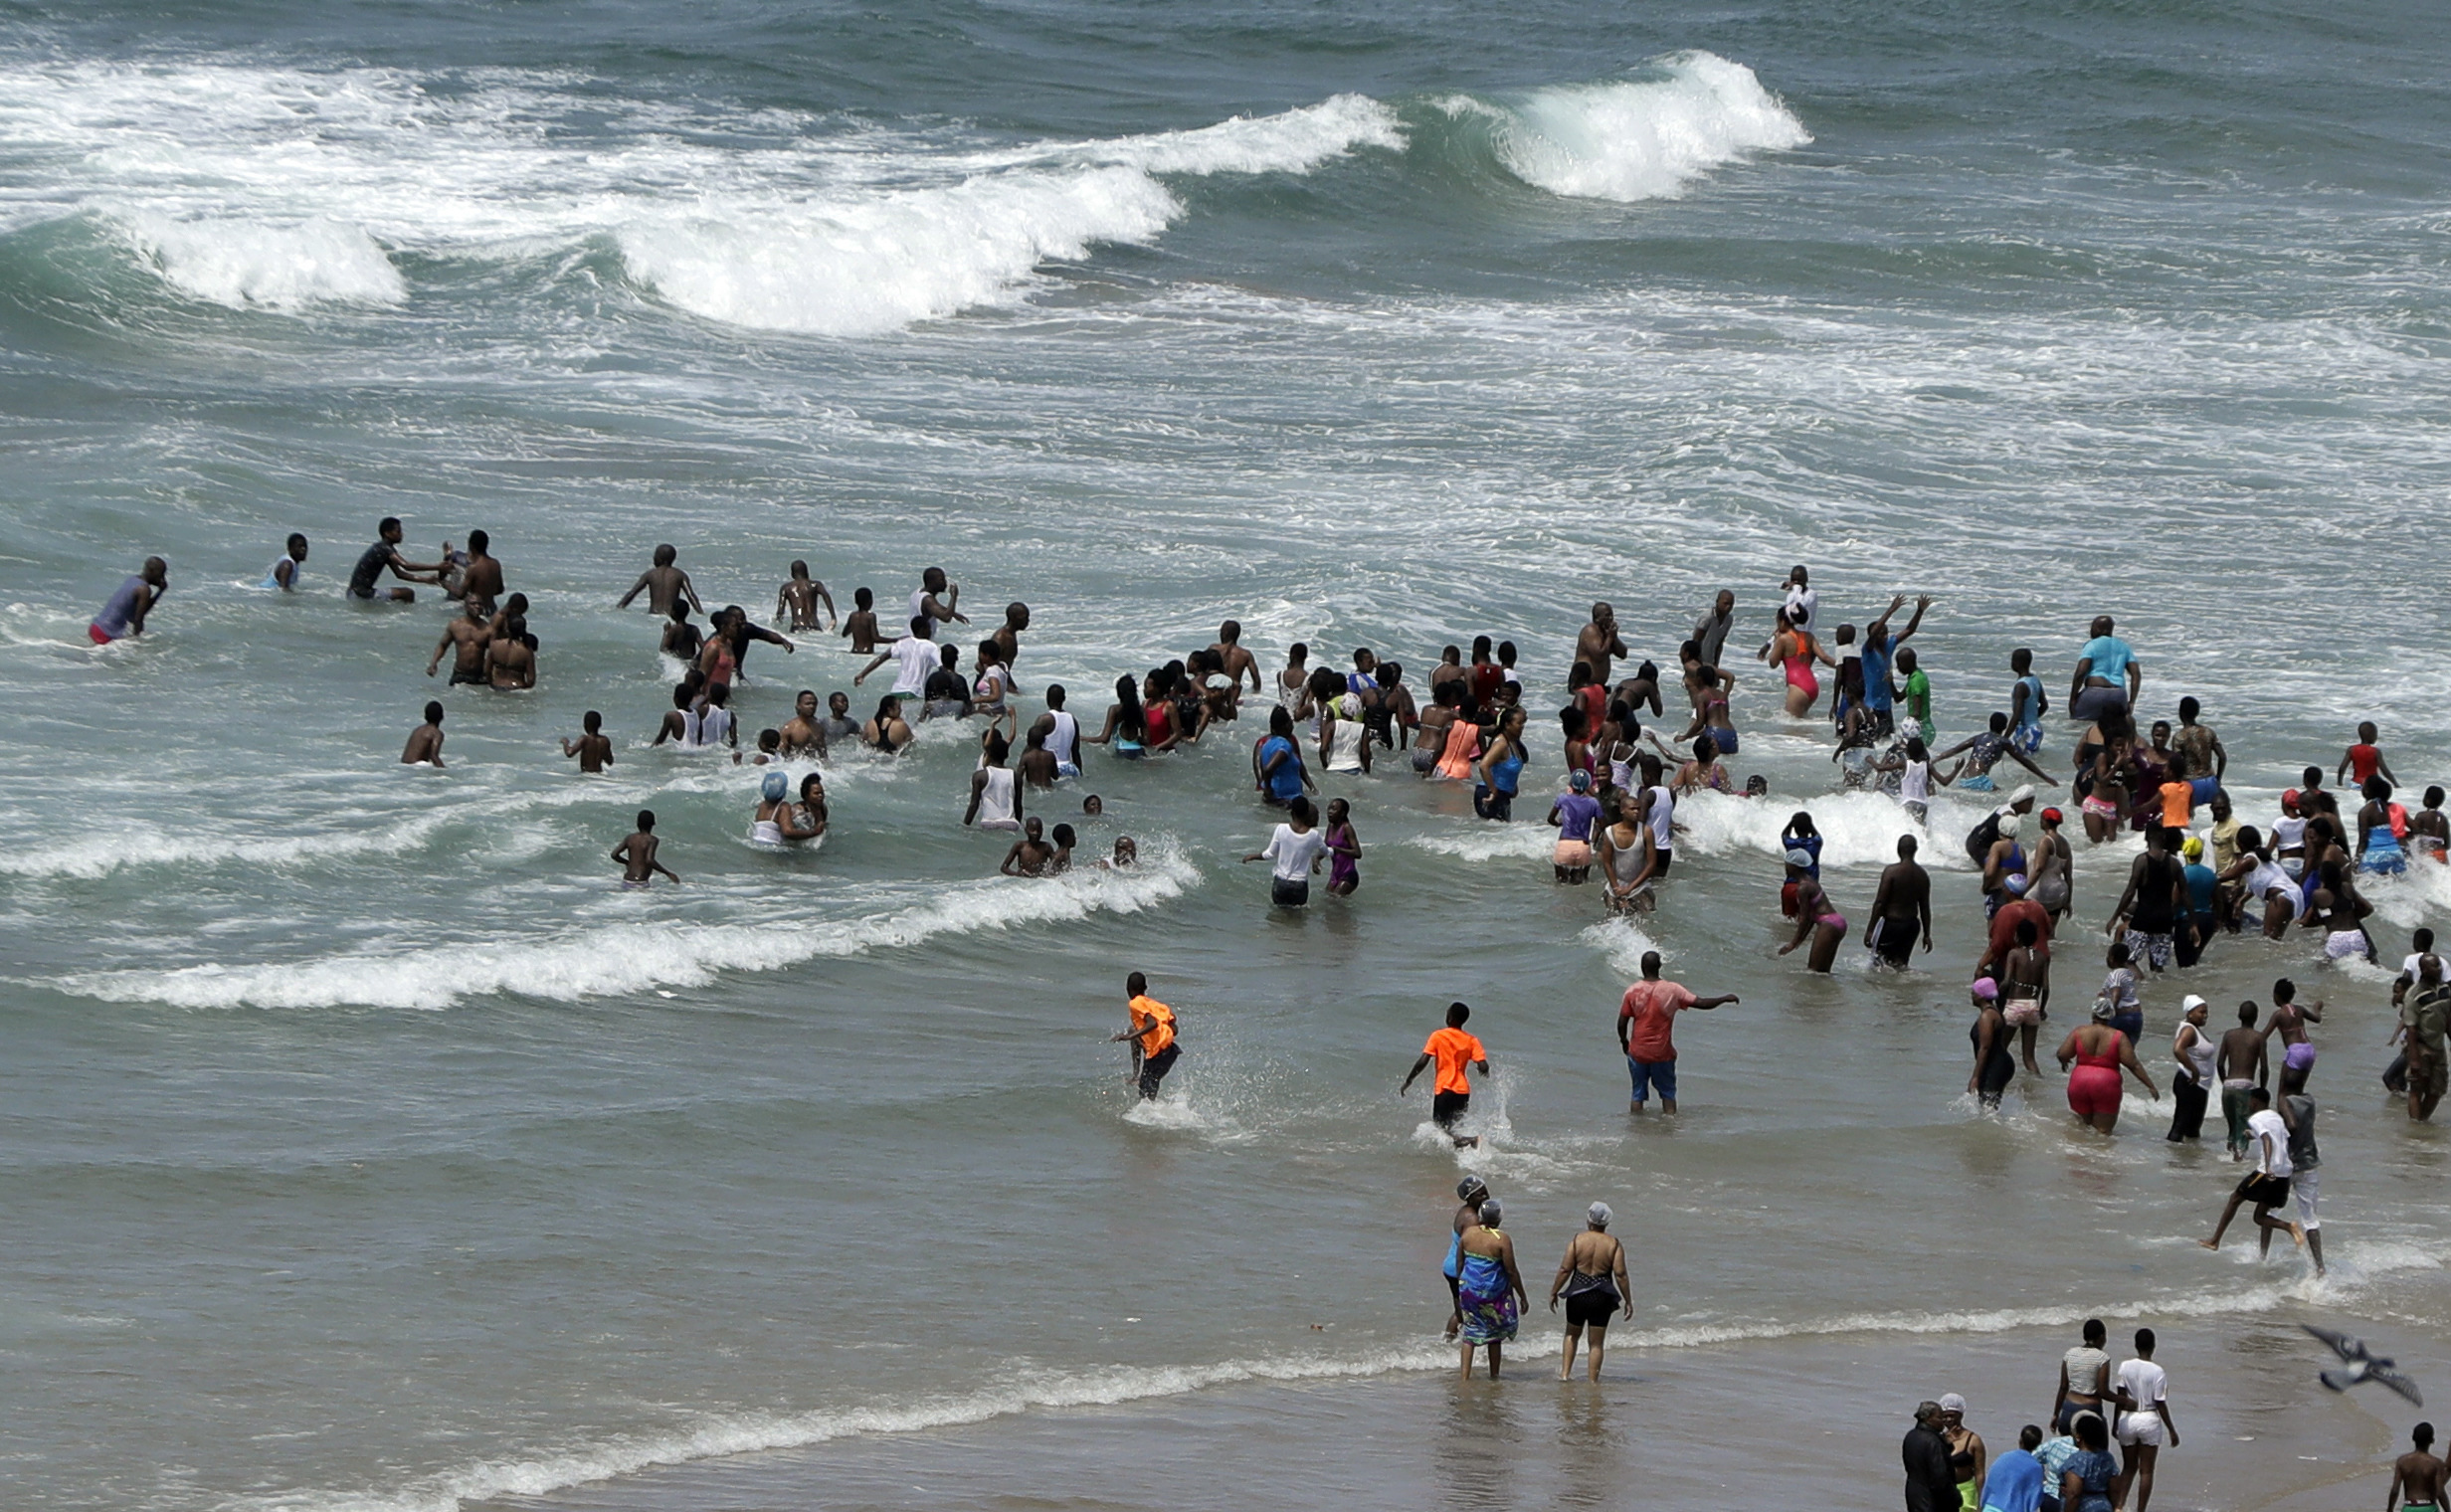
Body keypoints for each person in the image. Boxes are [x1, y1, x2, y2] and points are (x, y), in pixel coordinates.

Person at [1616, 950, 1738, 1115]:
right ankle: (1670, 1128)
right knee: (1667, 1093)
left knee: (1637, 1094)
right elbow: (1701, 1003)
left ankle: (1637, 1130)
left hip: (1638, 1052)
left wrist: (1624, 1042)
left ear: (1642, 967)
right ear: (1659, 966)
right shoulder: (1673, 990)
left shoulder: (1632, 991)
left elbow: (1622, 1022)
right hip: (1662, 1053)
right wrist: (1724, 998)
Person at [2201, 1084, 2304, 1255]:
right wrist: (2252, 1135)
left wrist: (2269, 1167)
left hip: (2267, 1172)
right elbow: (2280, 1137)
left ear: (2256, 1102)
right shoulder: (2276, 1118)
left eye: (2249, 1100)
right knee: (2260, 1217)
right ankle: (2269, 1249)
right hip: (2285, 1172)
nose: (2248, 1103)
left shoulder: (2256, 1119)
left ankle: (2215, 1240)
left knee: (2235, 1199)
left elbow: (2267, 1140)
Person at [1549, 1202, 1629, 1382]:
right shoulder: (1613, 1244)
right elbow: (1620, 1274)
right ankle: (1593, 1381)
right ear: (1607, 1222)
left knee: (1571, 1334)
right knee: (1596, 1343)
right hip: (1602, 1296)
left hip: (1577, 1292)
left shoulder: (1577, 1240)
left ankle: (1564, 1374)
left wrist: (1555, 1291)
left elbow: (1565, 1269)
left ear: (1589, 1219)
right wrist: (1628, 1300)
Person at [2056, 1002, 2157, 1134]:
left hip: (2079, 1081)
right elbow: (2132, 1064)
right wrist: (2150, 1085)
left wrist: (2064, 1061)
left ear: (2093, 1013)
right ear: (2111, 1016)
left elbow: (2062, 1053)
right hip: (2106, 1084)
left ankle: (2079, 1154)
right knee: (2102, 1133)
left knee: (2080, 1129)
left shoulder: (2080, 1032)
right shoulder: (2118, 1036)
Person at [1451, 1197, 1524, 1379]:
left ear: (1481, 1216)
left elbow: (1459, 1262)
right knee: (1495, 1335)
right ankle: (1494, 1375)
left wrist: (1462, 1285)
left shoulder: (1468, 1234)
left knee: (1469, 1334)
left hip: (1469, 1290)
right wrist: (1522, 1295)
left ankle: (1464, 1377)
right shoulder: (1502, 1239)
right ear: (1499, 1219)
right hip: (1493, 1293)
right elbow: (1511, 1270)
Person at [1401, 1001, 1488, 1149]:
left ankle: (1470, 1141)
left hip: (1445, 1089)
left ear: (1450, 1018)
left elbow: (1423, 1060)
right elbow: (1483, 1065)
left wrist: (1409, 1080)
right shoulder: (1472, 1040)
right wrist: (1483, 1070)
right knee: (1455, 1127)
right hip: (1463, 1092)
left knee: (1441, 1128)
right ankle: (1462, 1161)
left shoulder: (1438, 1036)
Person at [2109, 1328, 2177, 1512]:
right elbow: (2160, 1403)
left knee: (2128, 1467)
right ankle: (2140, 1510)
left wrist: (2115, 1423)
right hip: (2149, 1419)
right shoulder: (2158, 1371)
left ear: (2135, 1345)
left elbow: (2120, 1398)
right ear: (2153, 1346)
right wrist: (2171, 1429)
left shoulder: (2125, 1366)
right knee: (2146, 1471)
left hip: (2128, 1419)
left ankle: (2119, 1506)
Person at [1244, 796, 1328, 907]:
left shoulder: (1281, 829)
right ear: (1307, 814)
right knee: (1298, 918)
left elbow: (1269, 854)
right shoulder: (1314, 835)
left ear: (1292, 813)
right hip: (1300, 884)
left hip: (1281, 883)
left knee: (1278, 917)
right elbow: (1326, 851)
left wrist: (1252, 856)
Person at [1867, 835, 1935, 967]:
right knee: (1900, 964)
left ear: (1898, 849)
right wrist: (1927, 935)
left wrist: (1870, 930)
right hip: (1911, 926)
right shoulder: (1922, 875)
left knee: (1880, 964)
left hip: (1892, 925)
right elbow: (1925, 907)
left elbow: (1880, 902)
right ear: (1915, 850)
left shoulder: (1891, 872)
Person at [1109, 972, 1179, 1100]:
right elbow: (1175, 1029)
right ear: (1145, 988)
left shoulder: (1135, 1003)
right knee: (1149, 1090)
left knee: (1145, 1096)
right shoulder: (1157, 1006)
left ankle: (1154, 1116)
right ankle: (1136, 1075)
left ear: (1128, 989)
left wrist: (1128, 1037)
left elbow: (1152, 1023)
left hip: (1157, 1055)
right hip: (1170, 1052)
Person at [2278, 1088, 2325, 1275]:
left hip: (2285, 1165)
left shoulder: (2284, 1101)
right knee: (2310, 1218)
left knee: (2267, 1212)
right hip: (2308, 1164)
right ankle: (2320, 1265)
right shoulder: (2309, 1101)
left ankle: (2263, 1257)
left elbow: (2291, 1126)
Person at [1440, 1176, 1490, 1340]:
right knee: (1470, 1312)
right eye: (1480, 1195)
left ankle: (1447, 1341)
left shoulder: (1466, 1211)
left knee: (1460, 1311)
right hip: (1460, 1269)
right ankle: (1470, 1347)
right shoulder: (1472, 1219)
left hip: (1452, 1266)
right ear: (1469, 1198)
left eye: (1486, 1192)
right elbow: (1474, 1247)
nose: (1486, 1197)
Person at [2216, 1001, 2267, 1158]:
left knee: (2232, 1129)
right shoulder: (2258, 1037)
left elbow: (2219, 1064)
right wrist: (2261, 1090)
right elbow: (2264, 1068)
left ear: (2239, 1016)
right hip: (2245, 1087)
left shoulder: (2229, 1035)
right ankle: (2237, 1164)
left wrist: (2225, 1082)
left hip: (2228, 1087)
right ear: (2256, 1017)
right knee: (2243, 1130)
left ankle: (2228, 1161)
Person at [2402, 954, 2449, 1122]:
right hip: (2421, 1047)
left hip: (2439, 1048)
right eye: (2435, 966)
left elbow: (2447, 1018)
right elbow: (2411, 1029)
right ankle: (2415, 1128)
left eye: (2439, 965)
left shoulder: (2444, 990)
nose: (2439, 968)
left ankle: (2422, 1122)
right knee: (2417, 1089)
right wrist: (2414, 1058)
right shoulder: (2413, 995)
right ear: (2423, 969)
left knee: (2437, 1090)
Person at [347, 517, 439, 603]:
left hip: (353, 593)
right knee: (408, 593)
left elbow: (400, 574)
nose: (401, 534)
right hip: (362, 594)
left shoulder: (382, 548)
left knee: (406, 593)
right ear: (387, 533)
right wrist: (437, 566)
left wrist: (426, 580)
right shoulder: (385, 548)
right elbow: (406, 565)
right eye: (398, 531)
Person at [2068, 616, 2140, 723]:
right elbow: (2136, 675)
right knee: (2113, 731)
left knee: (2079, 727)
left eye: (2093, 627)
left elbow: (2081, 672)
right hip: (2118, 695)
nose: (2090, 631)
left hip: (2094, 693)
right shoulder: (2124, 647)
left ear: (2100, 629)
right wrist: (2131, 702)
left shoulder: (2091, 645)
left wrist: (2073, 698)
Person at [853, 616, 941, 700]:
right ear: (923, 629)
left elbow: (882, 657)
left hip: (896, 692)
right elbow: (942, 668)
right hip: (914, 693)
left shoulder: (902, 643)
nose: (931, 631)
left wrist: (862, 674)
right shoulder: (931, 647)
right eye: (929, 628)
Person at [2262, 977, 2324, 1094]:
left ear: (2276, 996)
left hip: (2295, 1051)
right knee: (2298, 1090)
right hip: (2309, 1050)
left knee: (2282, 1094)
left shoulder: (2278, 1015)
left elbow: (2263, 1037)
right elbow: (2317, 1019)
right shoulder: (2299, 1009)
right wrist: (2316, 1008)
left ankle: (2282, 1111)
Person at [2052, 1321, 2113, 1436]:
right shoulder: (2102, 1358)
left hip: (2068, 1408)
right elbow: (2103, 1392)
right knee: (2096, 1451)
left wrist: (2056, 1414)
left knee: (2068, 1449)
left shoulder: (2070, 1354)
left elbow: (2063, 1387)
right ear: (2101, 1337)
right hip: (2090, 1409)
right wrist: (2124, 1400)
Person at [89, 556, 168, 645]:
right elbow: (138, 620)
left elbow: (139, 611)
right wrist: (138, 642)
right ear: (152, 571)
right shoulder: (144, 590)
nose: (162, 578)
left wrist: (159, 592)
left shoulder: (133, 579)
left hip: (96, 627)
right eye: (161, 574)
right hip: (106, 633)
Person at [2167, 995, 2212, 1142]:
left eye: (2206, 1012)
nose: (2205, 1015)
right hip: (2189, 1082)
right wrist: (2194, 1069)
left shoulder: (2194, 1029)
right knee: (2181, 1125)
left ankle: (2188, 1160)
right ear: (2190, 1012)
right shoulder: (2189, 1030)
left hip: (2197, 1085)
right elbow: (2178, 1049)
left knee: (2192, 1129)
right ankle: (2173, 1160)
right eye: (2201, 1012)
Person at [1472, 706, 1528, 821]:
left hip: (1503, 795)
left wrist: (1513, 786)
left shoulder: (1512, 742)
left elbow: (1506, 769)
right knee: (1492, 834)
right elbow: (1484, 766)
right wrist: (1493, 791)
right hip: (1490, 794)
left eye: (1523, 723)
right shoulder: (1501, 743)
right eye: (1519, 723)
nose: (1522, 727)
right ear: (1507, 725)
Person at [1548, 769, 1603, 883]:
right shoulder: (1593, 802)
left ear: (1570, 784)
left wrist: (1559, 823)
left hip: (1565, 845)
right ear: (1588, 786)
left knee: (1561, 883)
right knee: (1581, 882)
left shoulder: (1562, 798)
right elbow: (1602, 824)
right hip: (1583, 846)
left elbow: (1550, 819)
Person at [617, 544, 703, 617]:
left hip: (653, 615)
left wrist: (619, 607)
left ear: (659, 559)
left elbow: (632, 593)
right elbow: (691, 595)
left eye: (655, 556)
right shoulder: (680, 574)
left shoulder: (650, 574)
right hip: (670, 616)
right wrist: (700, 612)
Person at [1251, 707, 1314, 806]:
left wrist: (1312, 787)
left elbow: (1300, 765)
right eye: (1291, 722)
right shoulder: (1284, 745)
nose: (1293, 725)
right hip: (1285, 799)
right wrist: (1266, 789)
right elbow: (1266, 770)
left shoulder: (1268, 743)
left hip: (1277, 797)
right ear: (1286, 726)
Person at [1906, 1401, 1962, 1512]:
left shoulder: (1911, 1436)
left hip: (1915, 1498)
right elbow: (1940, 1479)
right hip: (1933, 1503)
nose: (1943, 1422)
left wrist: (1946, 1444)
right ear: (1928, 1418)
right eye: (1940, 1418)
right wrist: (1956, 1498)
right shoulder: (1933, 1441)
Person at [1968, 979, 2014, 1109]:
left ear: (1981, 996)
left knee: (1988, 1107)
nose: (1971, 995)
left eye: (1973, 993)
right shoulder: (1994, 1012)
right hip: (1999, 1063)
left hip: (1995, 1065)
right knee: (1989, 1107)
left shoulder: (1987, 1016)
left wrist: (1975, 1077)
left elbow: (1985, 1047)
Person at [426, 596, 493, 685]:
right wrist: (433, 663)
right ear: (465, 606)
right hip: (459, 673)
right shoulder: (455, 625)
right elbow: (443, 645)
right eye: (473, 604)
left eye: (480, 604)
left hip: (479, 674)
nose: (477, 606)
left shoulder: (488, 629)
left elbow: (494, 652)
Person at [2057, 1413, 2118, 1512]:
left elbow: (2074, 1494)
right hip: (2104, 1506)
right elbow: (2114, 1490)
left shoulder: (2076, 1461)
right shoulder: (2108, 1458)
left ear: (2079, 1436)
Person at [965, 731, 1023, 832]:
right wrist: (1018, 825)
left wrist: (965, 825)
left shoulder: (980, 776)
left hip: (988, 823)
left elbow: (974, 804)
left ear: (989, 754)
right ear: (1007, 755)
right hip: (1011, 823)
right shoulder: (1016, 776)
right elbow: (1018, 805)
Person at [1980, 1425, 2046, 1512]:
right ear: (2038, 1445)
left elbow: (1989, 1484)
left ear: (2020, 1441)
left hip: (1991, 1507)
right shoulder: (2036, 1467)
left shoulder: (2003, 1457)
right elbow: (2034, 1497)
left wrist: (1982, 1505)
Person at [2387, 1422, 2446, 1512]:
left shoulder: (2402, 1461)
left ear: (2413, 1438)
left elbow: (2395, 1490)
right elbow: (2440, 1492)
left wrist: (2390, 1509)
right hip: (2428, 1507)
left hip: (2409, 1507)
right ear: (2432, 1440)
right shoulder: (2436, 1463)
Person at [1940, 1394, 1988, 1501]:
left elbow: (1979, 1473)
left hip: (1966, 1491)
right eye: (1945, 1416)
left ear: (1960, 1416)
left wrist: (1981, 1501)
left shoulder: (1973, 1440)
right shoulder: (1939, 1439)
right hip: (1944, 1490)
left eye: (1952, 1416)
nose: (1948, 1420)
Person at [612, 810, 678, 886]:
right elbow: (649, 860)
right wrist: (668, 873)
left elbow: (614, 855)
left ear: (637, 824)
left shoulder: (630, 838)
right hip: (640, 882)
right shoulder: (652, 840)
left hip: (627, 880)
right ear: (653, 824)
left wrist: (627, 862)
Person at [775, 560, 836, 632]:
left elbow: (780, 611)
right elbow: (826, 596)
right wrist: (833, 617)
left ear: (792, 574)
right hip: (814, 627)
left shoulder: (786, 588)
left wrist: (777, 622)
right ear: (807, 572)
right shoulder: (816, 585)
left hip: (797, 628)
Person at [2339, 719, 2398, 789]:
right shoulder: (2375, 751)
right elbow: (2384, 770)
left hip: (2355, 783)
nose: (2376, 737)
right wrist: (2395, 783)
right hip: (2371, 784)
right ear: (2371, 735)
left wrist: (2339, 783)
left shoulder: (2352, 749)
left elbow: (2342, 768)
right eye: (2375, 734)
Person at [457, 530, 504, 614]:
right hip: (492, 609)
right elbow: (500, 590)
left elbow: (461, 594)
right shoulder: (496, 564)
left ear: (470, 546)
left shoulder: (473, 568)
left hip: (477, 610)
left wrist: (444, 584)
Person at [1322, 798, 1361, 897]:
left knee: (1336, 901)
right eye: (1329, 809)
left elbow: (1358, 853)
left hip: (1348, 874)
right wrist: (1316, 858)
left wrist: (1339, 850)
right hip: (1335, 874)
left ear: (1342, 813)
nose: (1330, 812)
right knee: (1327, 900)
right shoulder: (1330, 826)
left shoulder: (1346, 828)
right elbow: (1326, 848)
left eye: (1334, 809)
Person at [485, 617, 536, 690]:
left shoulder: (495, 645)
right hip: (517, 688)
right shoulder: (526, 651)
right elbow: (531, 680)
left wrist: (491, 683)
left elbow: (487, 670)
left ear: (507, 629)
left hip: (497, 686)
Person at [750, 770, 793, 846]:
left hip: (755, 842)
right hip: (772, 846)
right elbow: (788, 832)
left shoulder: (761, 805)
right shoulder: (784, 806)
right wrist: (813, 832)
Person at [401, 700, 446, 766]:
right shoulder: (436, 733)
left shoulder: (417, 730)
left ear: (425, 716)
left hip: (403, 765)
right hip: (416, 767)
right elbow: (433, 756)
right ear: (441, 717)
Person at [838, 587, 880, 653]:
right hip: (866, 653)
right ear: (870, 601)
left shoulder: (852, 616)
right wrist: (896, 640)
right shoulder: (871, 616)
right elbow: (875, 638)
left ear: (856, 601)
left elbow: (844, 634)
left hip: (854, 651)